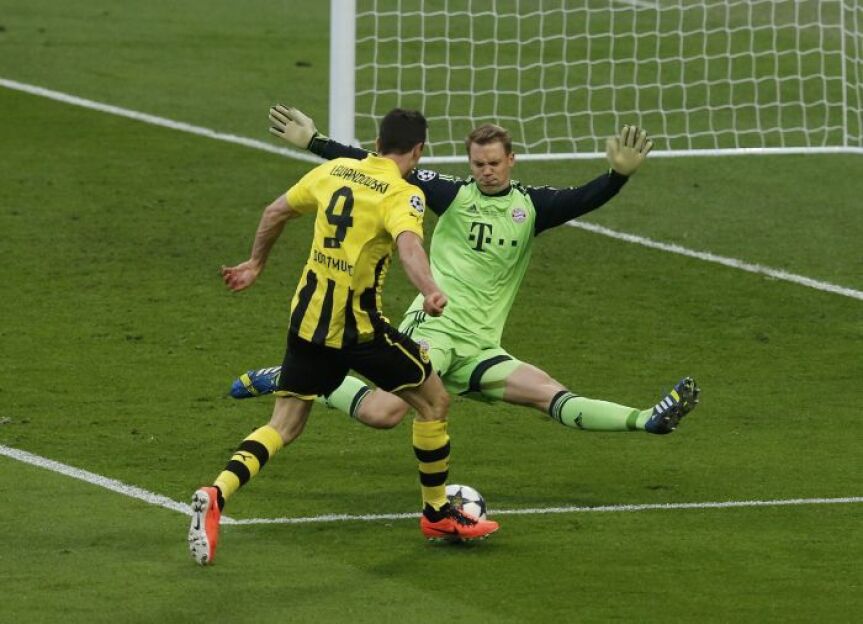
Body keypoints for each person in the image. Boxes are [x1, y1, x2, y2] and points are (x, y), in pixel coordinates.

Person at [230, 106, 699, 440]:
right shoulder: (450, 193)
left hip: (480, 345)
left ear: (511, 160)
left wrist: (617, 177)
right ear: (469, 163)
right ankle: (295, 377)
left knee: (549, 393)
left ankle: (647, 419)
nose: (486, 172)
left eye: (494, 163)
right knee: (383, 414)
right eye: (478, 164)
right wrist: (316, 142)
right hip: (435, 329)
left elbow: (582, 199)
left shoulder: (532, 207)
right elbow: (372, 168)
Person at [188, 109, 499, 567]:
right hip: (359, 331)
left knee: (283, 426)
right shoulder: (403, 193)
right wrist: (430, 289)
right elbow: (409, 248)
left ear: (376, 142)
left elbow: (275, 211)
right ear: (418, 151)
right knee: (434, 402)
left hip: (306, 323)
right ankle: (437, 513)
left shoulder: (333, 171)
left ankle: (217, 492)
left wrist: (255, 264)